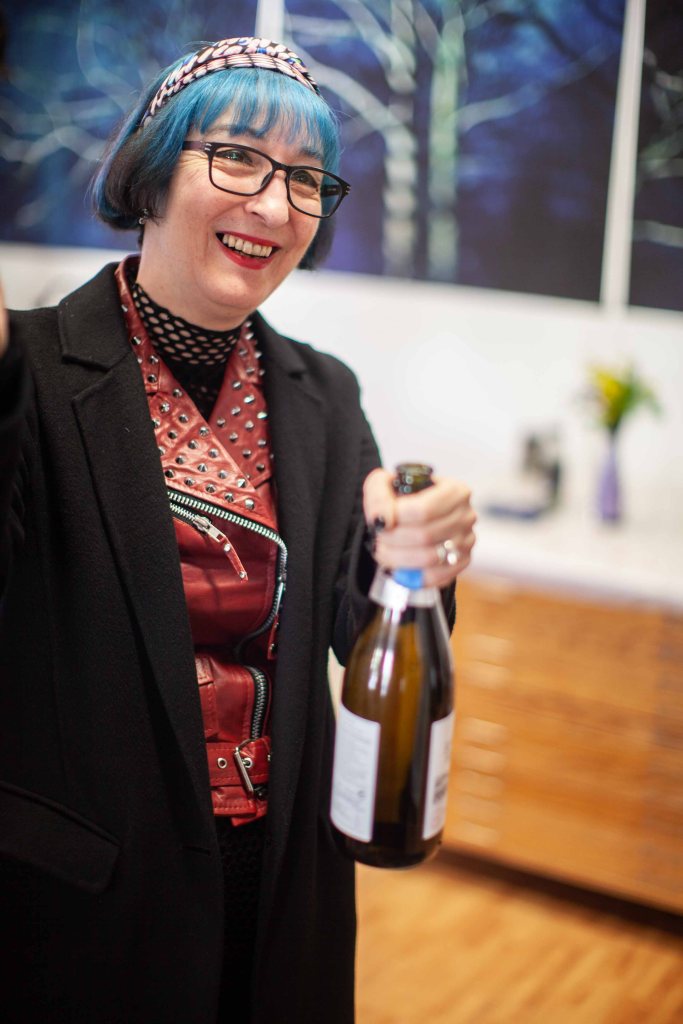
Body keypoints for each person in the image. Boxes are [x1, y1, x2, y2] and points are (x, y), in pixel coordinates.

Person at [0, 36, 476, 1024]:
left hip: (284, 889)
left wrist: (412, 562)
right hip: (87, 897)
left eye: (305, 178)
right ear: (150, 172)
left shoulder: (323, 395)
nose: (274, 205)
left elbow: (358, 629)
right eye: (236, 158)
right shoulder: (32, 372)